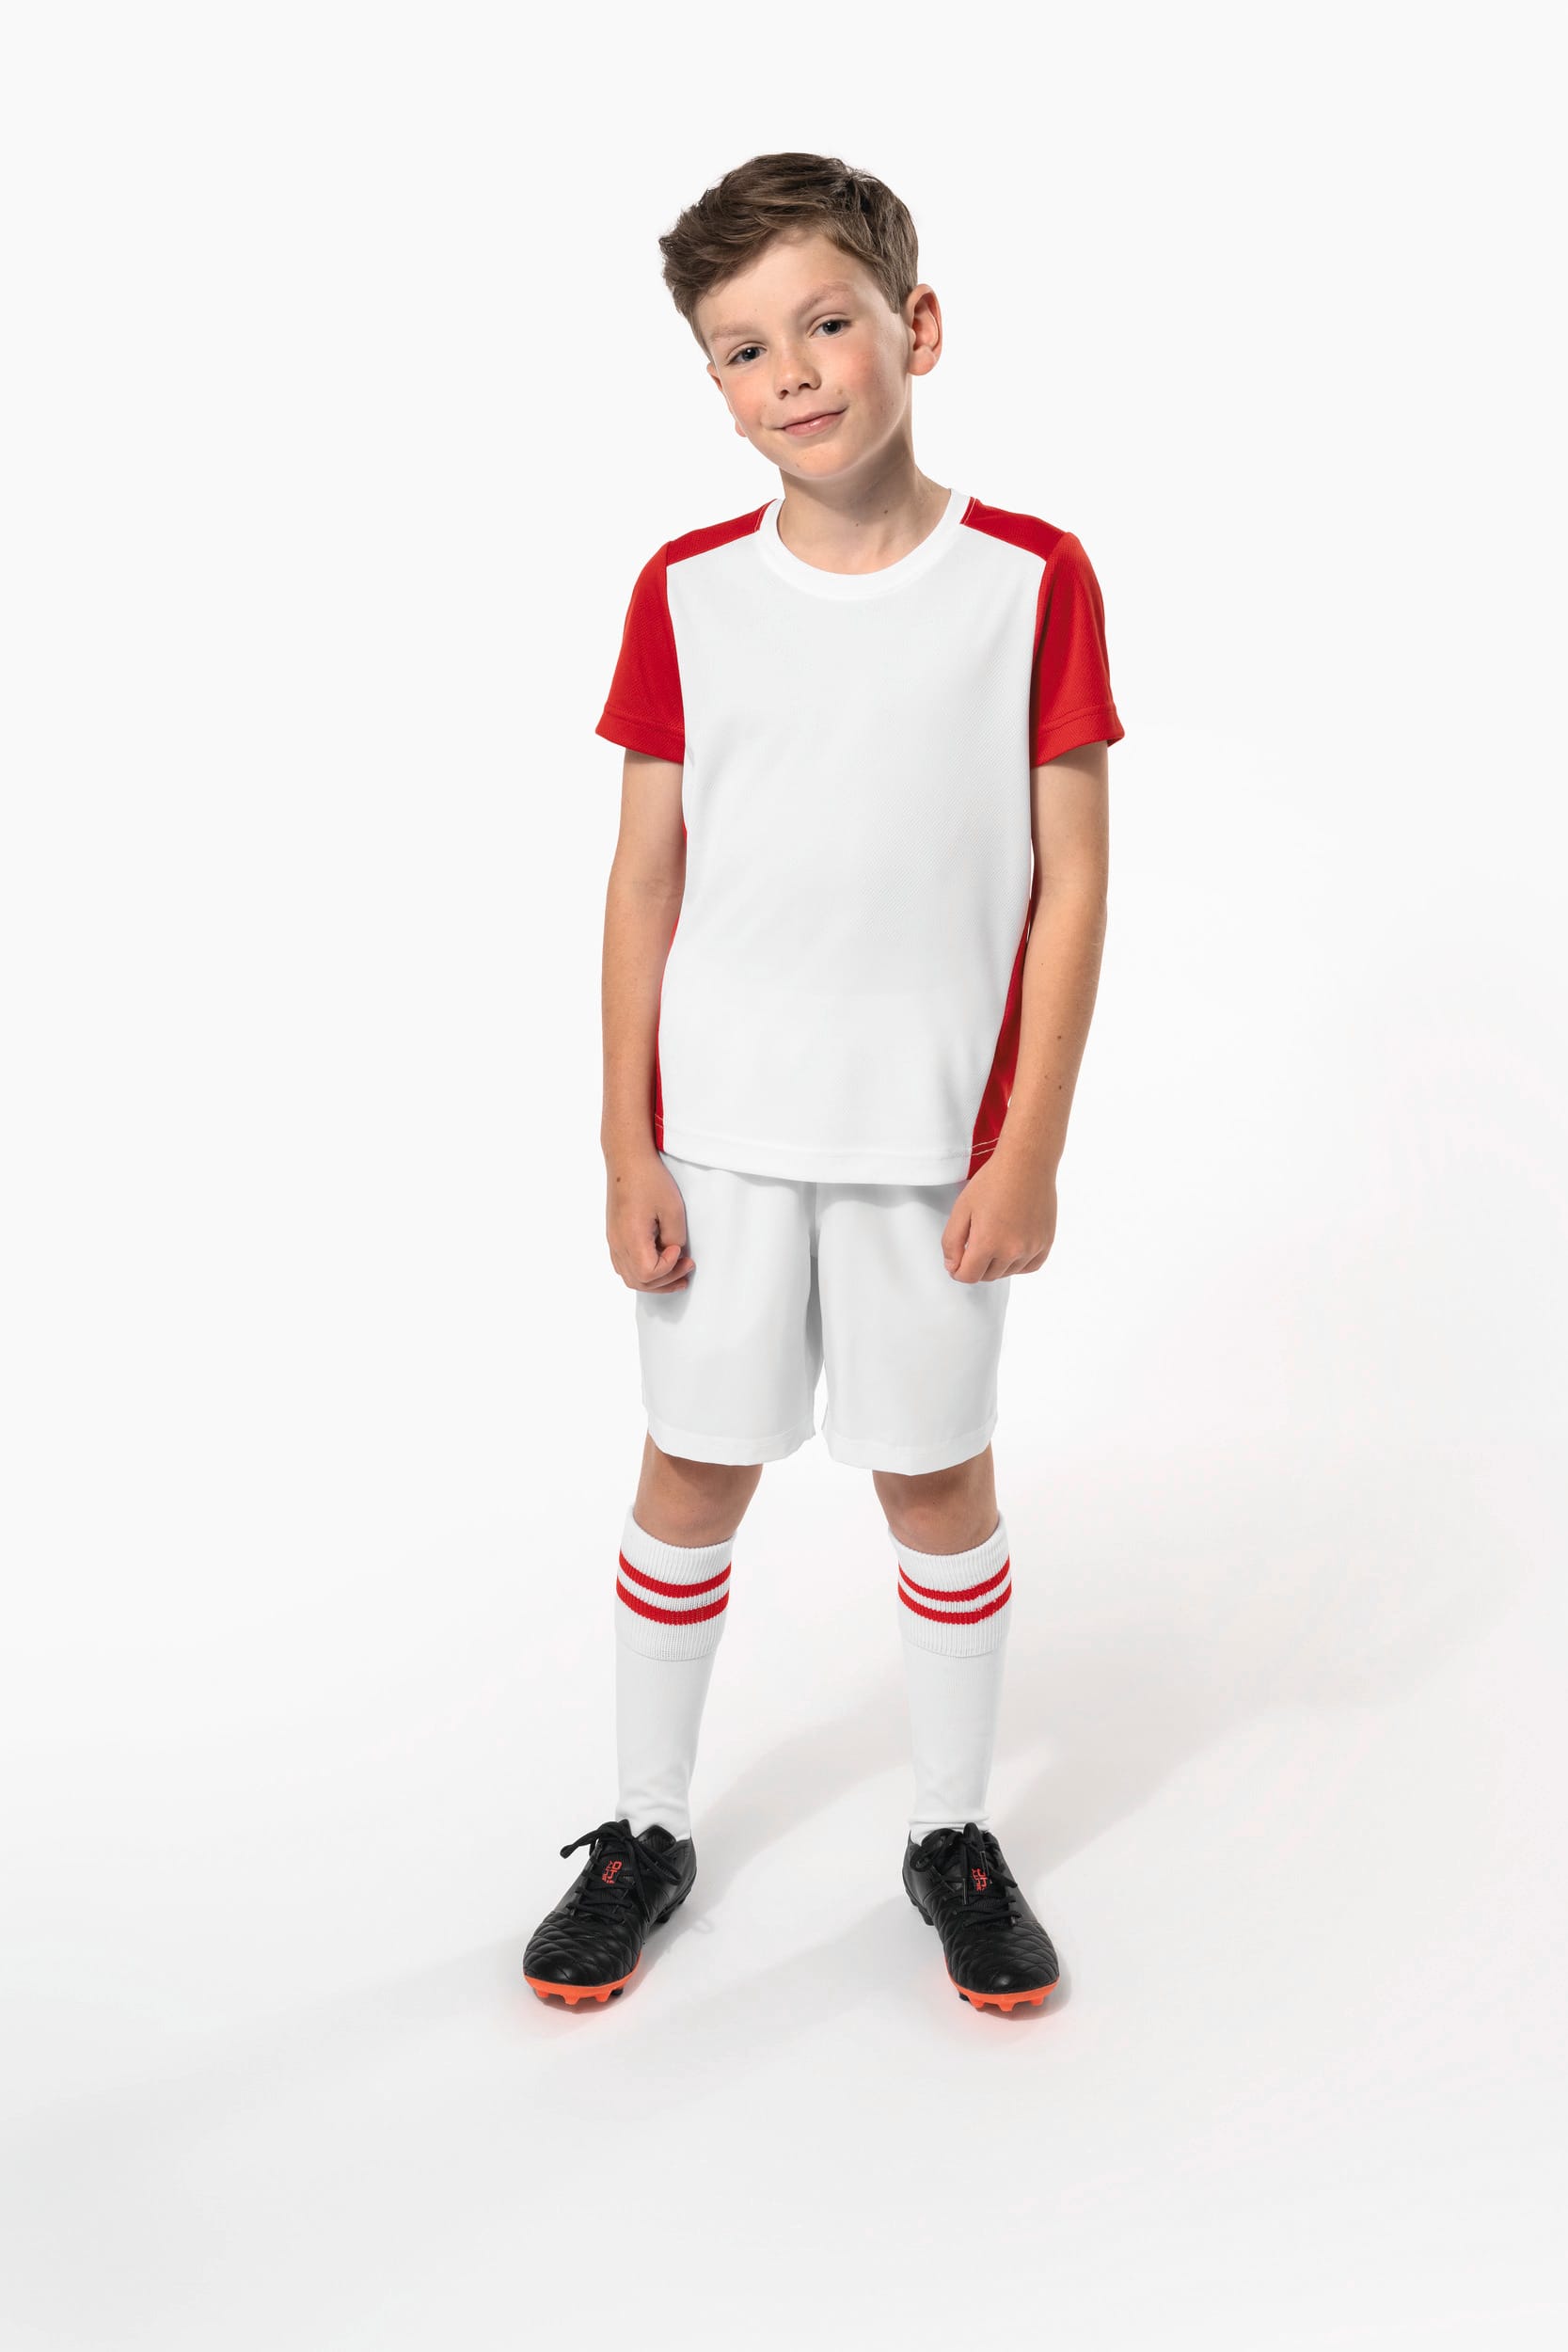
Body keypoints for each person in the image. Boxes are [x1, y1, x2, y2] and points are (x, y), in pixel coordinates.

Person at [523, 151, 1124, 2016]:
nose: (790, 371)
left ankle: (953, 1830)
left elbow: (1075, 877)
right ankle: (645, 1824)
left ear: (914, 326)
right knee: (690, 1469)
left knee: (935, 1480)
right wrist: (624, 1139)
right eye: (741, 348)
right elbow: (644, 874)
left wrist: (1030, 1145)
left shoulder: (1030, 581)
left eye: (826, 323)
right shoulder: (688, 592)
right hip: (718, 1134)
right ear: (712, 381)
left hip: (930, 1140)